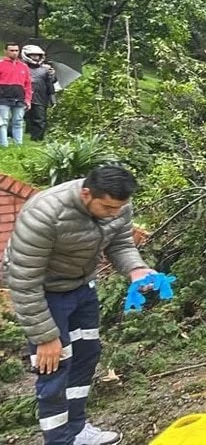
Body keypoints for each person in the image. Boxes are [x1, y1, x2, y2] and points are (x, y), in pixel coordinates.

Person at [3, 165, 156, 445]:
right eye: (108, 207)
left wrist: (136, 270)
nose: (115, 213)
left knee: (86, 353)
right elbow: (23, 280)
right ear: (87, 194)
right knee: (54, 364)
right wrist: (46, 337)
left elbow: (120, 244)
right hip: (44, 292)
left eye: (119, 208)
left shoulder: (118, 205)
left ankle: (76, 429)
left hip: (82, 286)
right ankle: (58, 440)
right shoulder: (45, 214)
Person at [22, 44, 59, 141]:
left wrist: (52, 75)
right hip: (23, 97)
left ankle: (37, 138)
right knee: (21, 118)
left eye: (37, 55)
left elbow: (51, 84)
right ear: (27, 55)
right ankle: (14, 137)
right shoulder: (22, 67)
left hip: (41, 97)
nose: (36, 57)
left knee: (39, 119)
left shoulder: (46, 69)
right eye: (33, 55)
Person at [0, 42, 33, 147]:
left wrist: (28, 99)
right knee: (3, 122)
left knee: (18, 121)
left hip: (19, 98)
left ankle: (19, 144)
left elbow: (28, 85)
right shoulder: (1, 64)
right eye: (12, 50)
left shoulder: (23, 66)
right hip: (3, 98)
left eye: (16, 50)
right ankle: (4, 144)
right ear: (5, 51)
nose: (14, 53)